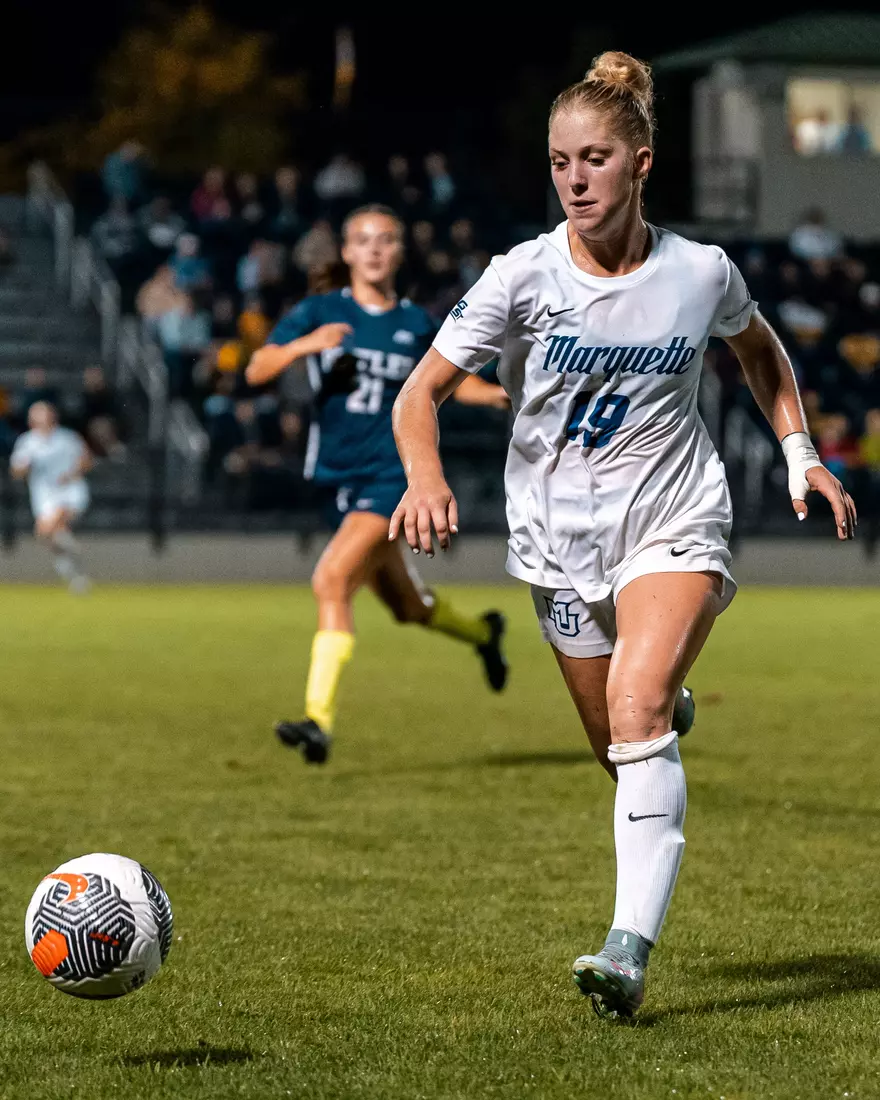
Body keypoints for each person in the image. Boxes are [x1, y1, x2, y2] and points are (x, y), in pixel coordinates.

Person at [389, 52, 856, 1019]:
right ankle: (659, 706)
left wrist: (800, 451)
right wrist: (426, 476)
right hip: (557, 542)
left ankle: (625, 951)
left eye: (594, 159)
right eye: (559, 161)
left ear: (642, 161)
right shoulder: (520, 275)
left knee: (637, 709)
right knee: (616, 748)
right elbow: (420, 393)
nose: (573, 179)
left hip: (675, 518)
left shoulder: (699, 272)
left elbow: (758, 352)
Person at [246, 204, 511, 765]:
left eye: (385, 239)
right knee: (408, 608)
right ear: (345, 252)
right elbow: (256, 369)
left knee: (332, 580)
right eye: (362, 240)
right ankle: (485, 635)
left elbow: (447, 385)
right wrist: (303, 346)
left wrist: (495, 394)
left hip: (395, 475)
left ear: (397, 251)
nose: (373, 249)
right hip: (344, 478)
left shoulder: (416, 323)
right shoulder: (320, 312)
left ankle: (318, 720)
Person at [10, 402, 93, 592]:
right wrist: (24, 467)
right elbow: (16, 471)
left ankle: (68, 545)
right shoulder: (27, 442)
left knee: (56, 522)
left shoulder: (67, 438)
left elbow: (86, 460)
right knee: (44, 534)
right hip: (44, 495)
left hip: (70, 490)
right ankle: (73, 570)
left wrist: (72, 474)